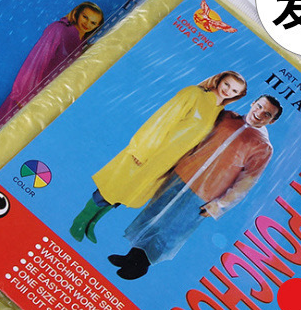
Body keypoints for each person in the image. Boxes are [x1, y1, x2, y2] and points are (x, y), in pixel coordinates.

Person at [109, 95, 282, 279]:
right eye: (259, 106)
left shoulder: (263, 147)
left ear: (271, 121)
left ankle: (141, 266)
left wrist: (219, 206)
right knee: (154, 214)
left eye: (267, 114)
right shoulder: (226, 117)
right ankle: (132, 256)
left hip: (205, 194)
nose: (259, 113)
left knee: (172, 228)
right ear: (253, 103)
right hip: (182, 174)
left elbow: (246, 182)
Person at [70, 70, 247, 244]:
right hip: (152, 151)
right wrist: (142, 149)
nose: (228, 91)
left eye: (234, 91)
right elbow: (161, 120)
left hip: (168, 162)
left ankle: (92, 222)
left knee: (127, 193)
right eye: (227, 84)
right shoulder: (194, 94)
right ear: (219, 80)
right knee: (114, 186)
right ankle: (80, 221)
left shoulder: (218, 112)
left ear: (238, 96)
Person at [0, 2, 104, 136]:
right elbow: (36, 61)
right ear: (77, 13)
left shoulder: (81, 43)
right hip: (26, 97)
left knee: (17, 140)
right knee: (1, 134)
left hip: (45, 104)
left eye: (93, 23)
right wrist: (24, 96)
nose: (87, 24)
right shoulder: (59, 30)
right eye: (85, 17)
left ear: (97, 26)